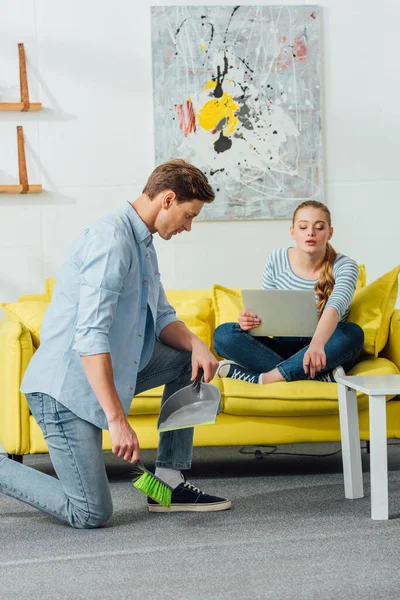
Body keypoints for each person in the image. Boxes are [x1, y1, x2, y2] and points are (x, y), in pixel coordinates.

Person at [0, 159, 231, 528]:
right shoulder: (112, 241)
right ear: (168, 199)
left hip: (104, 375)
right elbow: (90, 336)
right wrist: (117, 421)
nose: (189, 227)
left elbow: (163, 316)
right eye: (190, 215)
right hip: (65, 392)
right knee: (90, 512)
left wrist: (196, 344)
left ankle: (169, 483)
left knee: (187, 360)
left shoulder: (144, 243)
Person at [213, 200, 364, 385]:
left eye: (319, 227)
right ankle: (314, 376)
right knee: (223, 334)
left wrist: (316, 345)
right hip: (283, 348)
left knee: (353, 333)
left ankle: (265, 378)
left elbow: (335, 307)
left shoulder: (346, 266)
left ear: (330, 233)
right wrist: (250, 322)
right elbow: (268, 309)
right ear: (292, 232)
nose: (311, 233)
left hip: (325, 348)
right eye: (303, 227)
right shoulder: (276, 259)